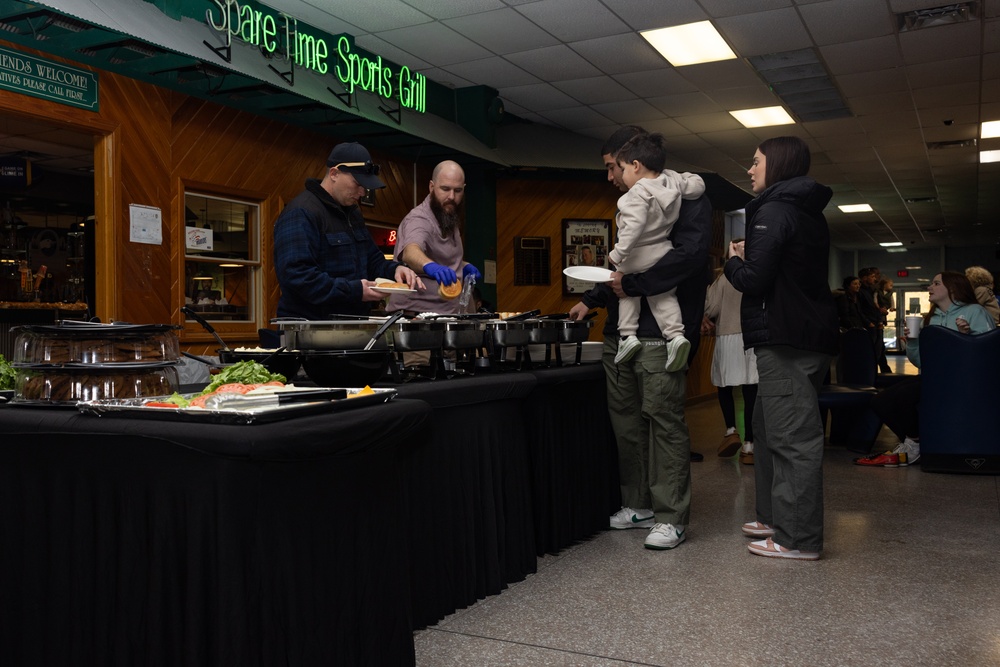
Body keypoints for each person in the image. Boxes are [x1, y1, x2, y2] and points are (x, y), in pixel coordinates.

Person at [568, 125, 712, 551]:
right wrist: (592, 299)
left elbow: (687, 258)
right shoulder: (631, 197)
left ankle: (671, 517)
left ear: (632, 161)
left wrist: (632, 287)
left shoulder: (687, 196)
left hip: (663, 333)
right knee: (626, 424)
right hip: (621, 331)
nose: (609, 177)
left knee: (663, 421)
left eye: (612, 167)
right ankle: (639, 505)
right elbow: (625, 260)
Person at [724, 136, 839, 561]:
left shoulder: (773, 210)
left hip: (787, 337)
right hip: (803, 334)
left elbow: (754, 279)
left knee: (791, 438)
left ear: (778, 164)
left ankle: (797, 538)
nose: (750, 169)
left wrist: (732, 260)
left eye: (755, 162)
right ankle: (776, 517)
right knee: (769, 428)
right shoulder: (804, 211)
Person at [859, 271, 995, 467]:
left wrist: (967, 336)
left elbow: (987, 353)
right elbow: (921, 362)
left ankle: (915, 443)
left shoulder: (975, 311)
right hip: (934, 377)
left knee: (904, 396)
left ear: (953, 288)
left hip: (963, 380)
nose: (930, 287)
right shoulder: (930, 319)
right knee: (880, 401)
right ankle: (915, 440)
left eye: (936, 283)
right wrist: (913, 342)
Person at [273, 141, 421, 319]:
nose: (362, 192)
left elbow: (373, 261)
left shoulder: (352, 214)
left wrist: (395, 270)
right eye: (357, 183)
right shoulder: (301, 212)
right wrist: (355, 291)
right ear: (334, 173)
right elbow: (298, 278)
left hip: (349, 326)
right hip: (310, 330)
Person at [608, 132, 705, 371]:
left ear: (636, 166)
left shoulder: (636, 195)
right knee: (663, 296)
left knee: (626, 288)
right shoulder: (672, 180)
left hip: (638, 252)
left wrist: (618, 254)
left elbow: (633, 227)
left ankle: (627, 336)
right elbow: (697, 185)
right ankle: (676, 336)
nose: (621, 175)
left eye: (621, 168)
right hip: (662, 249)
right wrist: (690, 179)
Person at [387, 160, 481, 316]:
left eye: (457, 190)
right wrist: (431, 267)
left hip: (449, 314)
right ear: (431, 187)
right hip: (416, 316)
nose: (451, 196)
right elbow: (410, 252)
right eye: (445, 189)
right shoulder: (419, 219)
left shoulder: (448, 215)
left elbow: (441, 258)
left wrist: (462, 266)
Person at [702, 247, 758, 464]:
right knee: (750, 388)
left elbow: (711, 308)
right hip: (751, 338)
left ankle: (731, 430)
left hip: (727, 336)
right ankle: (749, 446)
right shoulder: (755, 274)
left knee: (724, 386)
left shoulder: (724, 278)